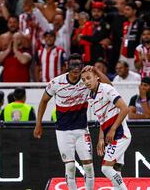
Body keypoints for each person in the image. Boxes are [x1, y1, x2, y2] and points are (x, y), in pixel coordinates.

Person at [33, 53, 110, 190]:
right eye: (73, 65)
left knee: (89, 167)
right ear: (67, 66)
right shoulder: (56, 83)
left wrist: (96, 71)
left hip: (81, 130)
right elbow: (44, 101)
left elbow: (109, 85)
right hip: (63, 131)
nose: (76, 68)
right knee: (70, 167)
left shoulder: (86, 81)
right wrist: (38, 124)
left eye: (79, 65)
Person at [81, 69, 131, 190]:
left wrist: (113, 129)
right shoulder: (90, 97)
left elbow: (125, 109)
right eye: (83, 80)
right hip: (111, 136)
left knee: (106, 168)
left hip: (120, 135)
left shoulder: (106, 89)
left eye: (89, 78)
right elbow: (103, 120)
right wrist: (101, 138)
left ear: (97, 77)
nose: (86, 82)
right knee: (116, 169)